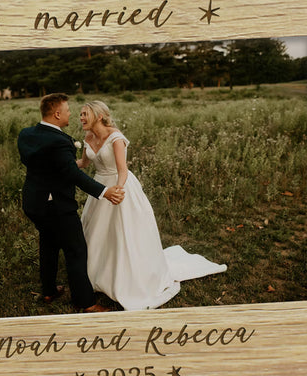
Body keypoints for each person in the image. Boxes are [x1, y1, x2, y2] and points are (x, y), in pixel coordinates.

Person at [77, 100, 225, 310]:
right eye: (80, 114)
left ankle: (127, 276)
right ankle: (96, 274)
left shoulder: (115, 137)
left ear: (99, 116)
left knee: (123, 232)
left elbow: (122, 170)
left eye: (85, 114)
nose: (81, 118)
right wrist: (60, 163)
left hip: (119, 186)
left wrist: (119, 189)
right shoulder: (88, 138)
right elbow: (83, 163)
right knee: (97, 232)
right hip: (99, 188)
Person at [18, 93, 125, 313]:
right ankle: (86, 303)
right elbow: (72, 174)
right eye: (68, 111)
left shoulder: (26, 134)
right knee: (76, 250)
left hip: (33, 202)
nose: (71, 114)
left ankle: (49, 291)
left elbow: (40, 162)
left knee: (48, 243)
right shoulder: (60, 141)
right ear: (57, 114)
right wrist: (104, 192)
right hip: (56, 205)